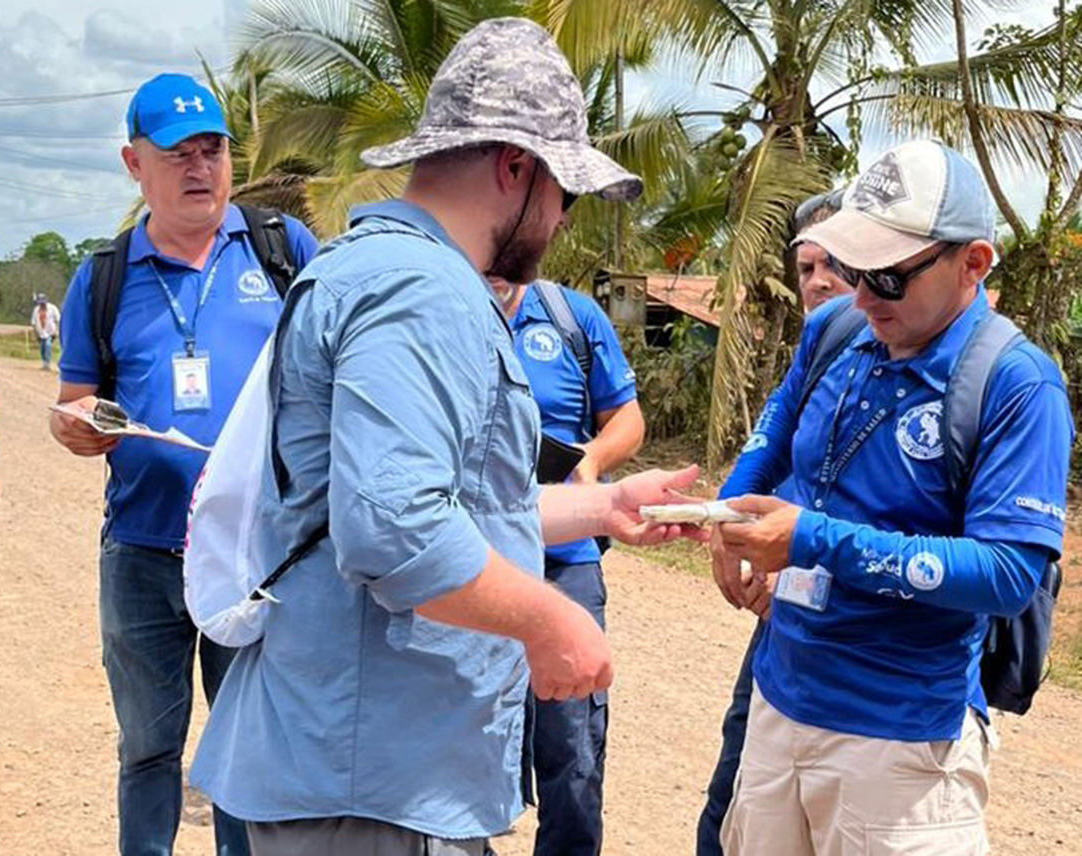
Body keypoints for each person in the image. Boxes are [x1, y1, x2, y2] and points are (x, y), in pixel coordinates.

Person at [189, 18, 705, 855]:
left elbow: (448, 502)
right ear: (516, 167)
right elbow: (396, 532)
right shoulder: (418, 291)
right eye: (565, 194)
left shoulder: (385, 269)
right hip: (371, 782)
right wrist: (551, 621)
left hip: (369, 770)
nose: (564, 221)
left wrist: (605, 506)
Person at [712, 140, 1073, 856]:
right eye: (852, 267)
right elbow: (773, 433)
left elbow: (1006, 575)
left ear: (973, 263)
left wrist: (812, 541)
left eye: (888, 275)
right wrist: (727, 515)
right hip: (780, 703)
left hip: (900, 741)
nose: (864, 294)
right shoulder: (836, 331)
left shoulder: (1017, 386)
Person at [50, 72, 318, 856]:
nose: (201, 168)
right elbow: (77, 397)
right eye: (178, 155)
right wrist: (77, 428)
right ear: (135, 164)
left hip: (254, 552)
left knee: (246, 754)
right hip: (140, 551)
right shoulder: (101, 277)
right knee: (147, 749)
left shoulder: (281, 249)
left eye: (213, 150)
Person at [695, 187, 853, 856]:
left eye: (835, 264)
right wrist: (726, 529)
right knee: (734, 800)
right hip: (784, 617)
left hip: (878, 648)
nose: (819, 281)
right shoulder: (816, 350)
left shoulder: (949, 361)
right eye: (806, 267)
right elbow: (765, 446)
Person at [489, 275, 643, 855]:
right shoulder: (444, 306)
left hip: (566, 560)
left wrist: (592, 458)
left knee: (573, 747)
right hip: (471, 564)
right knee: (462, 735)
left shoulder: (572, 318)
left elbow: (626, 417)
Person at [30, 292, 60, 371]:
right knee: (42, 348)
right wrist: (35, 334)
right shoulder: (36, 310)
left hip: (50, 332)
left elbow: (57, 320)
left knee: (47, 345)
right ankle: (44, 363)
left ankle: (47, 364)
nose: (42, 304)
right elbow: (33, 323)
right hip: (40, 332)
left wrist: (56, 331)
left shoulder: (53, 308)